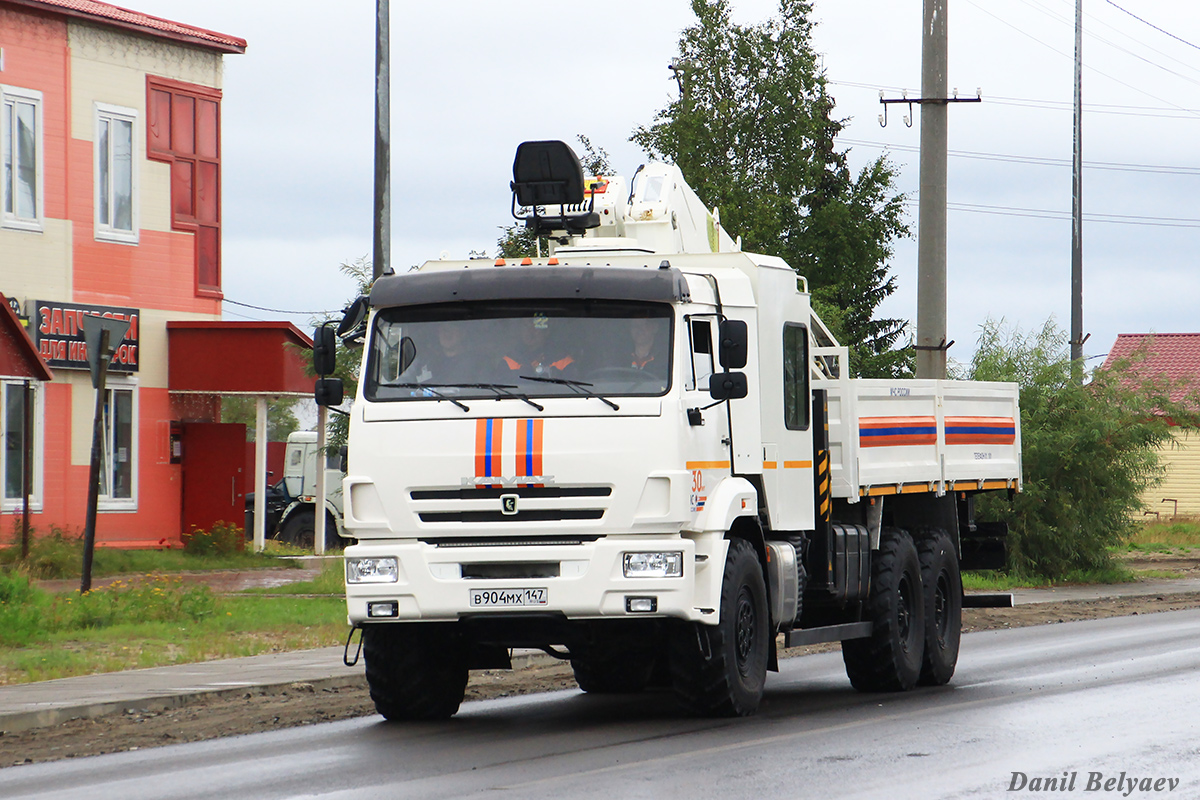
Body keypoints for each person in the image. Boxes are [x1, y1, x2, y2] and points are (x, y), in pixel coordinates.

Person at [501, 314, 576, 377]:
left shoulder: (562, 360)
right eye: (526, 326)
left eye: (536, 327)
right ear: (520, 330)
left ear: (547, 331)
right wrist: (528, 370)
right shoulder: (509, 361)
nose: (530, 332)